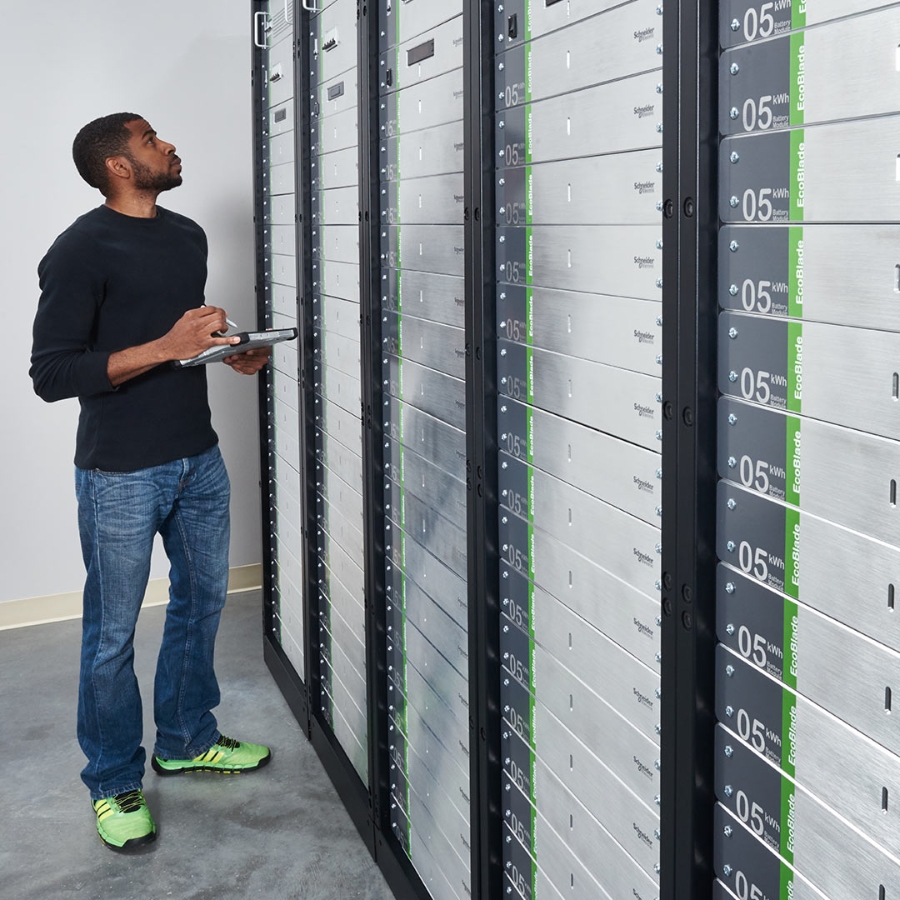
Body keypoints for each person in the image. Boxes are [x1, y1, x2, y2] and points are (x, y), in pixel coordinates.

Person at [30, 112, 272, 853]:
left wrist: (223, 347)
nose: (169, 143)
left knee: (202, 605)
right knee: (111, 634)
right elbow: (52, 374)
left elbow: (172, 341)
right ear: (119, 167)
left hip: (198, 456)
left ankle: (185, 738)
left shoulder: (187, 234)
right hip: (119, 472)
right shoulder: (78, 249)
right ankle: (112, 782)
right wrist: (168, 344)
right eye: (150, 140)